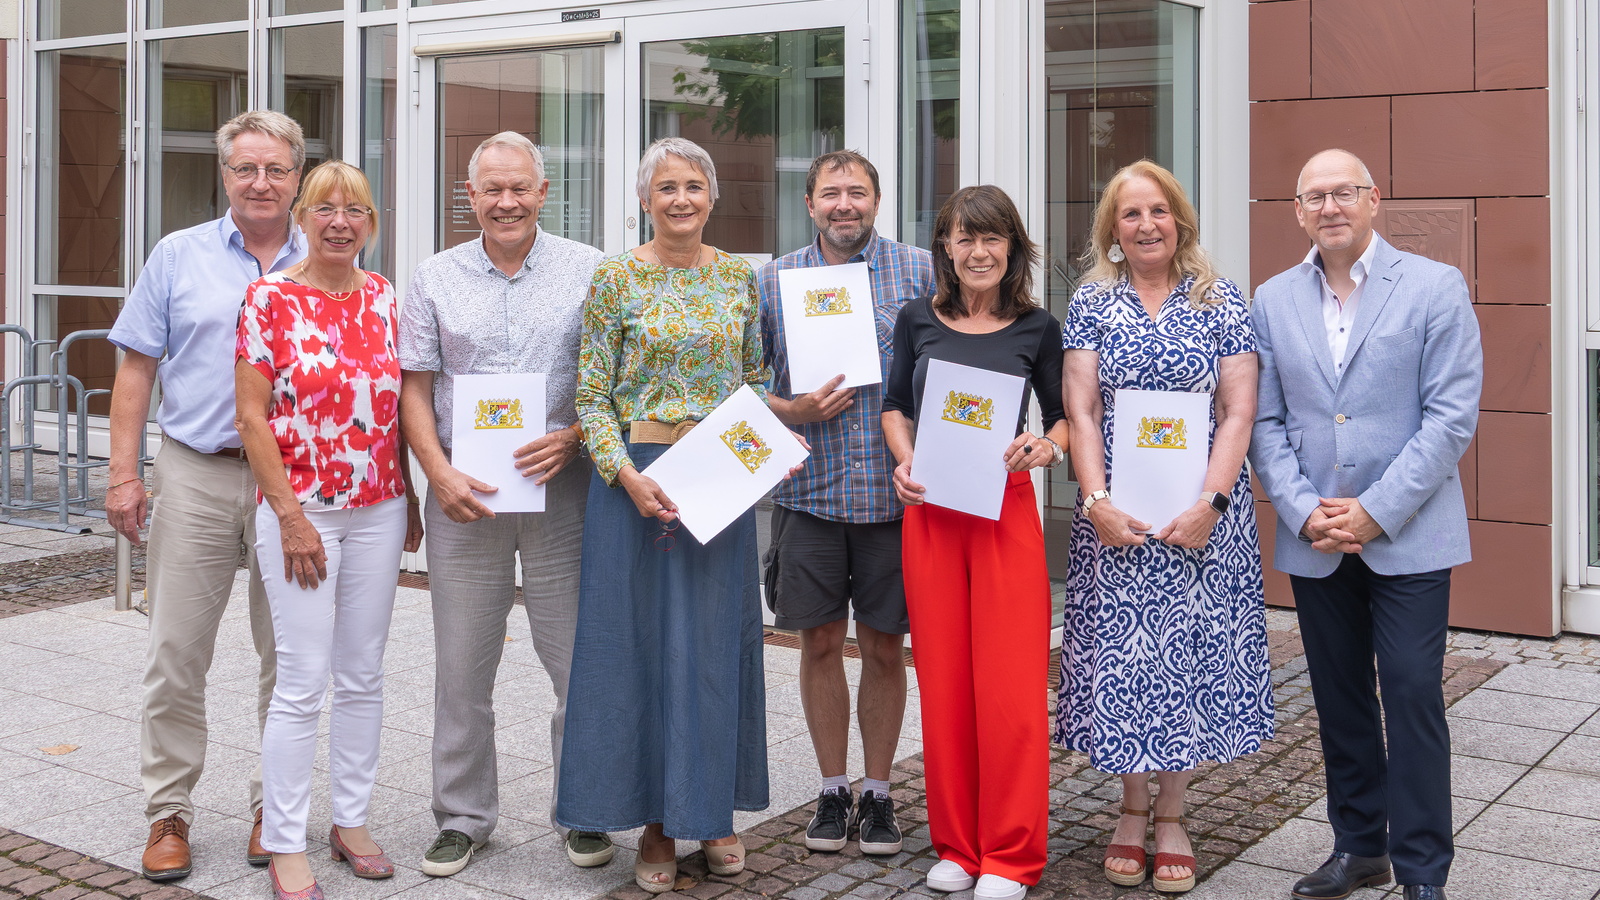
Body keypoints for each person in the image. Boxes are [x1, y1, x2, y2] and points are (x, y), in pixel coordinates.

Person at [1249, 149, 1480, 900]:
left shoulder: (1435, 287)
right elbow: (1265, 421)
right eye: (1313, 196)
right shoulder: (1274, 299)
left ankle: (1421, 870)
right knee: (1340, 695)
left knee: (1412, 693)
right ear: (1297, 211)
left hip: (1409, 532)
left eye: (1343, 192)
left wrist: (1375, 512)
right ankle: (1359, 848)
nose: (1329, 207)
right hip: (1315, 536)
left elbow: (1450, 419)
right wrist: (1301, 506)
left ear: (1374, 199)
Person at [556, 137, 774, 894]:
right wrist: (623, 475)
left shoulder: (741, 281)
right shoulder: (615, 279)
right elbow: (591, 394)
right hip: (636, 485)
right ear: (645, 199)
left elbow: (755, 384)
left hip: (718, 482)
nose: (680, 199)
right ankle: (653, 820)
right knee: (640, 650)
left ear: (711, 198)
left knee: (715, 650)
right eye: (666, 187)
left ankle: (711, 813)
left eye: (693, 186)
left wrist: (759, 458)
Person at [1050, 159, 1273, 895]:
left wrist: (1209, 505)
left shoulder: (1221, 299)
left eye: (1157, 211)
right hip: (1116, 515)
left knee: (1185, 657)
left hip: (1200, 519)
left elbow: (1238, 409)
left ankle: (1172, 814)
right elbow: (1081, 410)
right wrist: (1095, 501)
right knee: (1124, 657)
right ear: (1112, 230)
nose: (1145, 225)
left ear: (1180, 219)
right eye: (1130, 213)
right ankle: (1129, 805)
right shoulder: (1091, 303)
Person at [398, 131, 608, 877]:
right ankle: (462, 816)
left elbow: (613, 380)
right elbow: (415, 386)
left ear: (543, 193)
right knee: (462, 667)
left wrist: (577, 436)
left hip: (566, 491)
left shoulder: (592, 270)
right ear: (472, 195)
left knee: (577, 662)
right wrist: (438, 472)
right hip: (467, 500)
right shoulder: (433, 277)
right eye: (492, 189)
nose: (507, 201)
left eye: (520, 187)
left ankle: (582, 808)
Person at [106, 110, 305, 883]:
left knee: (288, 656)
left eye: (276, 169)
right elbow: (135, 373)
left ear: (297, 174)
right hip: (194, 471)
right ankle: (169, 812)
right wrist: (125, 475)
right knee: (174, 655)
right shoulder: (177, 256)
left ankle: (274, 807)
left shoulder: (326, 255)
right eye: (246, 168)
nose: (261, 182)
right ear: (225, 175)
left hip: (294, 481)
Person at [234, 160, 423, 900]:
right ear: (303, 219)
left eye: (355, 210)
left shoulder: (385, 300)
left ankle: (351, 821)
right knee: (301, 680)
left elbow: (398, 407)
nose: (340, 221)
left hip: (377, 508)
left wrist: (405, 490)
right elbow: (252, 418)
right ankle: (284, 840)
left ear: (370, 224)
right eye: (324, 208)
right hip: (300, 512)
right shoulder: (268, 298)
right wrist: (288, 516)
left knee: (363, 673)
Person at [880, 185, 1066, 900]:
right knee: (947, 683)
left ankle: (1012, 856)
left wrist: (1043, 450)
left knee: (1011, 689)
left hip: (1005, 513)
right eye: (964, 237)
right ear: (946, 249)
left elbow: (1062, 421)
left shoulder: (1038, 327)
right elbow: (896, 404)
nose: (979, 251)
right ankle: (958, 845)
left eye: (992, 238)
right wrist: (904, 458)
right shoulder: (915, 319)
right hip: (932, 510)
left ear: (1012, 248)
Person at [755, 150, 934, 856]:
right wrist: (791, 407)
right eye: (831, 194)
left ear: (877, 200)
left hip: (894, 499)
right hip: (813, 496)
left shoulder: (919, 270)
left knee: (887, 649)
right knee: (821, 642)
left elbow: (945, 368)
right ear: (810, 205)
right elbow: (746, 383)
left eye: (856, 192)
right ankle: (833, 789)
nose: (844, 205)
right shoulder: (775, 280)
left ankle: (881, 793)